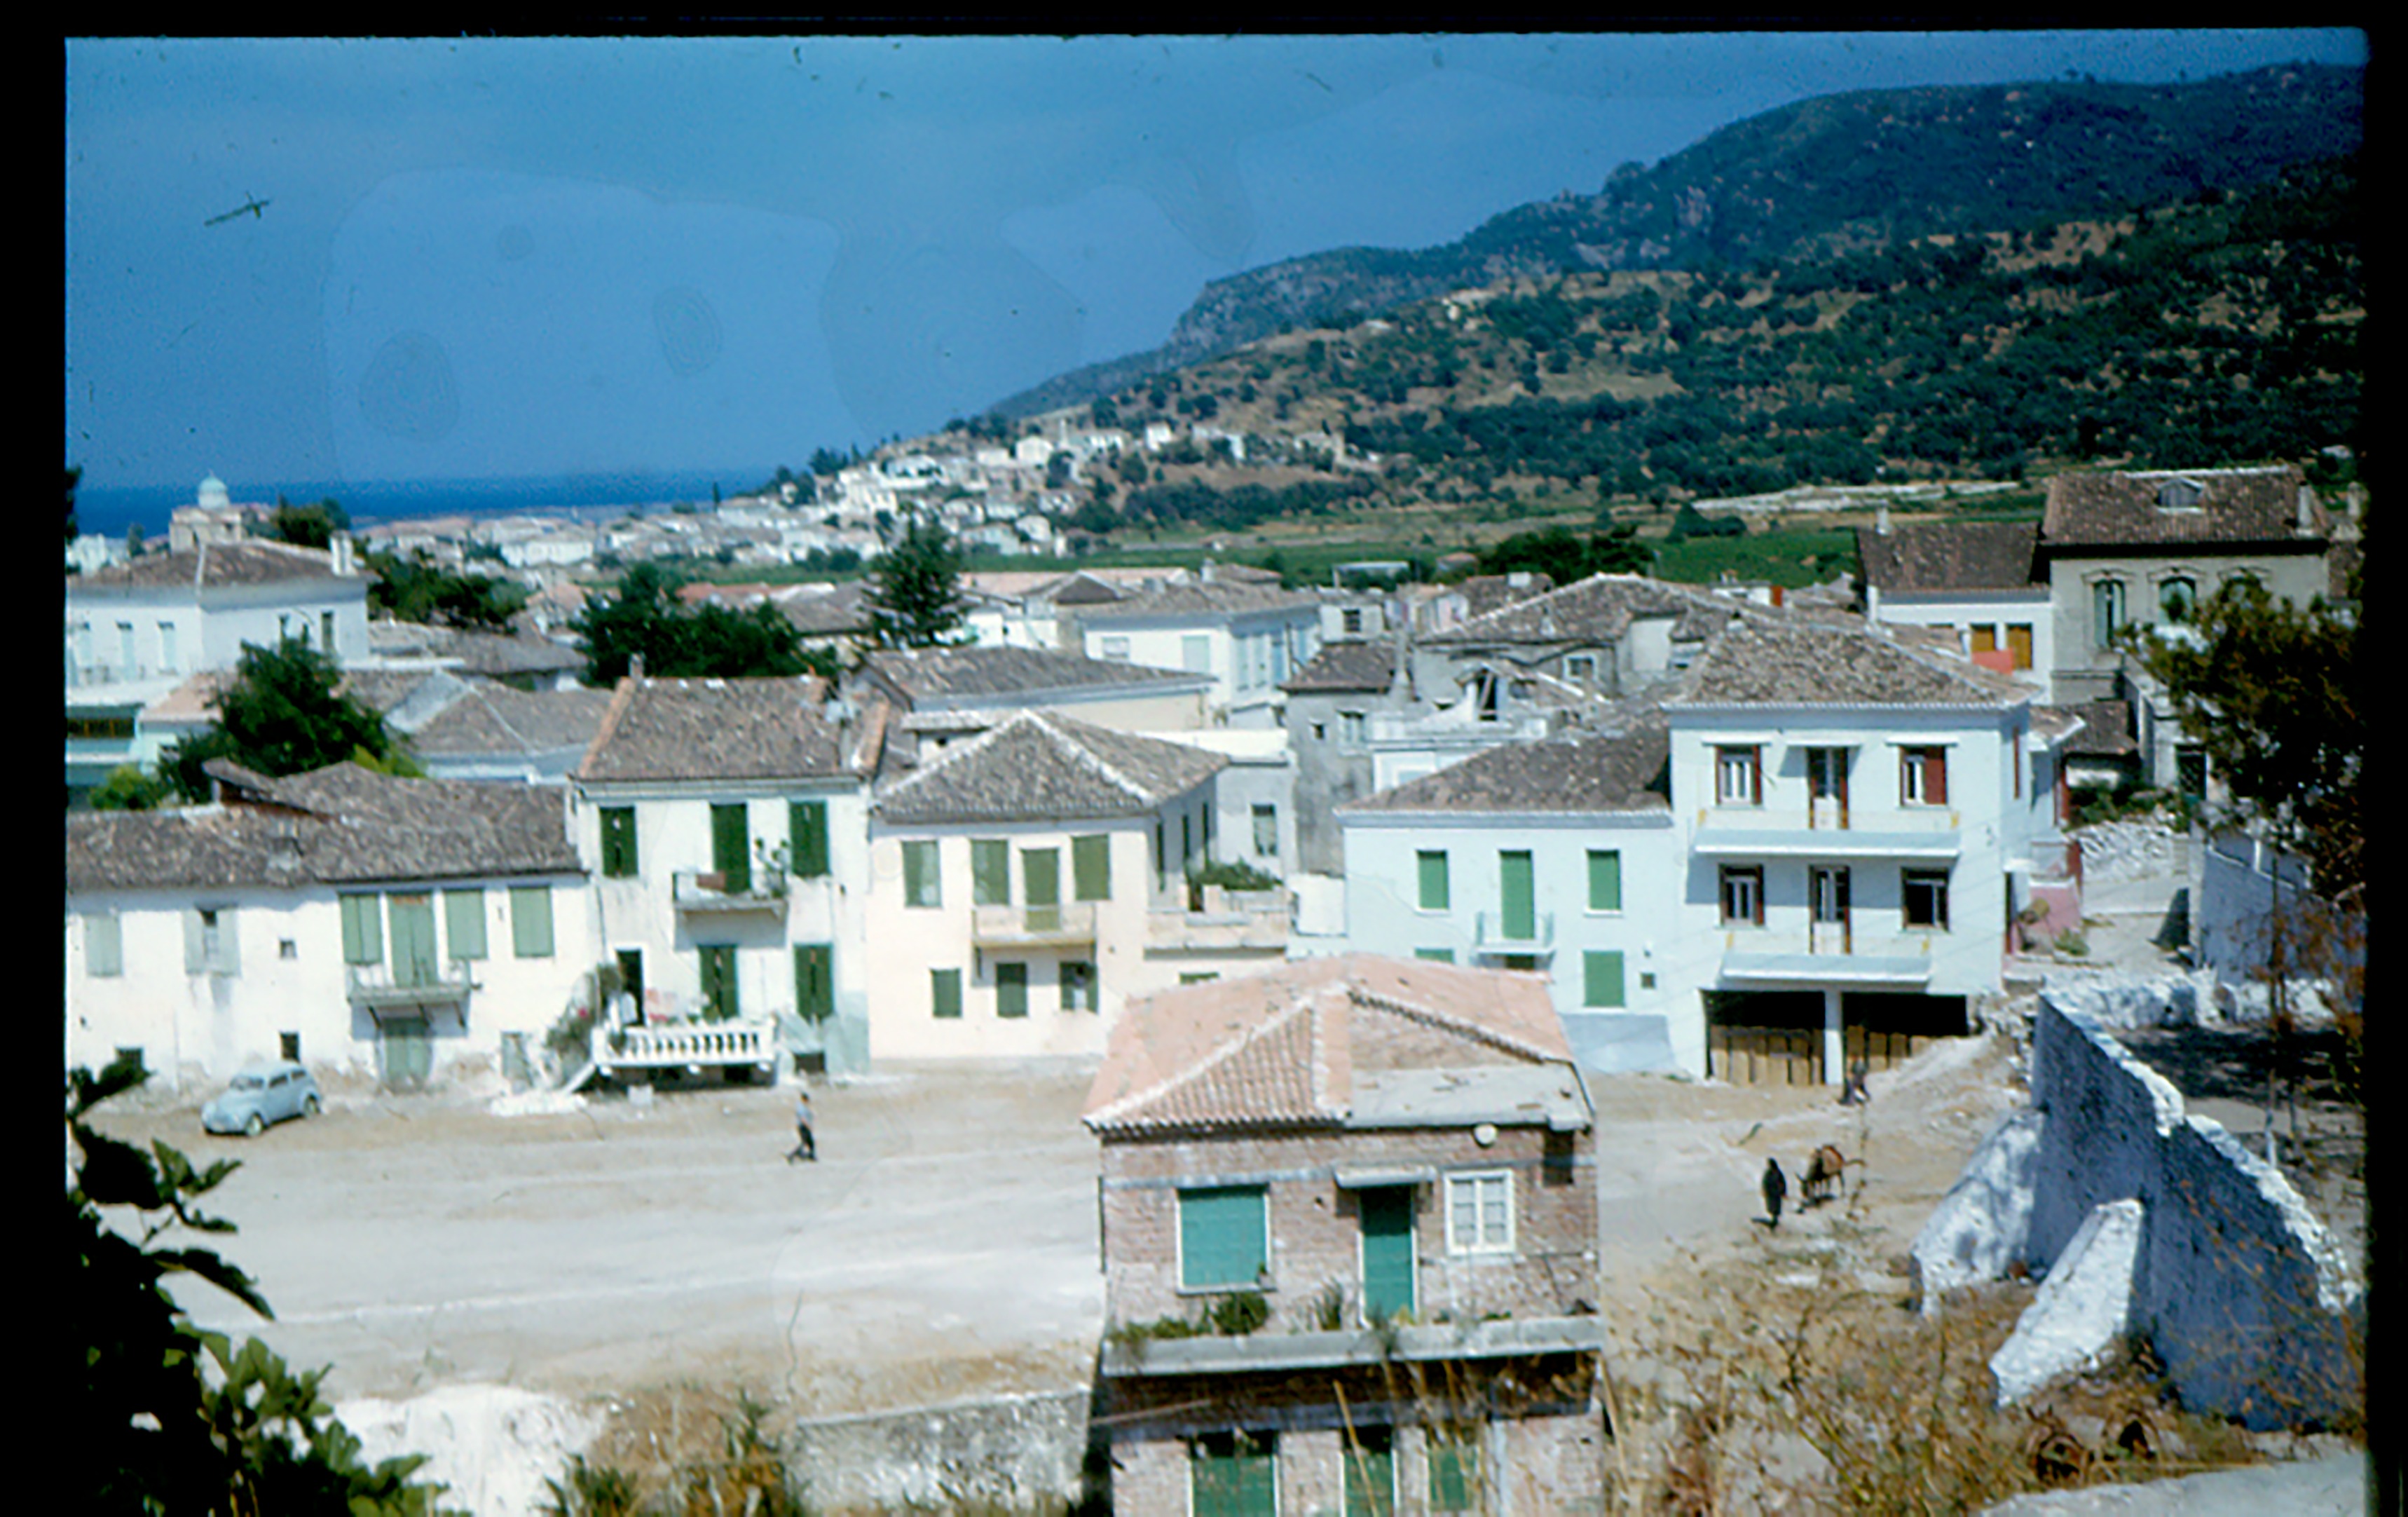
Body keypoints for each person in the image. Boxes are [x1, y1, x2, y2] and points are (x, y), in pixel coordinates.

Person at [788, 1087, 816, 1164]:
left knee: (810, 1142)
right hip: (803, 1127)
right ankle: (791, 1156)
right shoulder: (801, 1107)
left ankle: (811, 1156)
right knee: (804, 1142)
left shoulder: (801, 1106)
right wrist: (809, 1126)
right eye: (807, 1100)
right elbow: (802, 1118)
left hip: (803, 1127)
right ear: (804, 1099)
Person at [1761, 1155, 1787, 1229]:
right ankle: (1773, 1221)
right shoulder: (1768, 1173)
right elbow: (1765, 1183)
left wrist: (1783, 1192)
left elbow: (1783, 1183)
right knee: (1772, 1207)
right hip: (1771, 1194)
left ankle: (1774, 1221)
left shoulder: (1778, 1173)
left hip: (1776, 1194)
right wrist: (1765, 1191)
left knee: (1776, 1208)